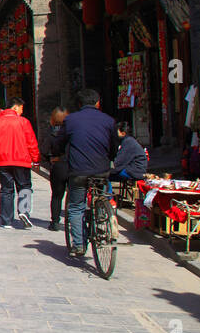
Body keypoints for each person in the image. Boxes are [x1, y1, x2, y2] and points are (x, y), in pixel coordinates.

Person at [61, 89, 119, 256]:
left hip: (78, 171)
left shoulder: (70, 120)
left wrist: (57, 153)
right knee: (101, 194)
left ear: (79, 104)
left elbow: (60, 141)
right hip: (101, 171)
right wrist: (111, 158)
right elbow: (114, 146)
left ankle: (78, 245)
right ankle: (104, 217)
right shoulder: (109, 121)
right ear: (98, 103)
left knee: (76, 207)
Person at [0, 97, 40, 229]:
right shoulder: (23, 122)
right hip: (21, 161)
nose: (22, 112)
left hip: (3, 161)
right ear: (15, 107)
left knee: (7, 189)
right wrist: (35, 159)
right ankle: (24, 211)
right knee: (24, 187)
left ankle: (6, 220)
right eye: (21, 108)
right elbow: (31, 142)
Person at [45, 105, 70, 231]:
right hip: (72, 165)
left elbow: (44, 150)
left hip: (58, 165)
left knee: (56, 195)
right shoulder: (72, 130)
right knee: (74, 194)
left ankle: (55, 222)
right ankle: (73, 219)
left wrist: (49, 161)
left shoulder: (51, 132)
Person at [109, 121, 148, 190]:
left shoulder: (128, 142)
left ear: (123, 133)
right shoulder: (128, 140)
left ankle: (109, 198)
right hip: (135, 170)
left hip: (135, 172)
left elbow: (119, 163)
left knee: (105, 176)